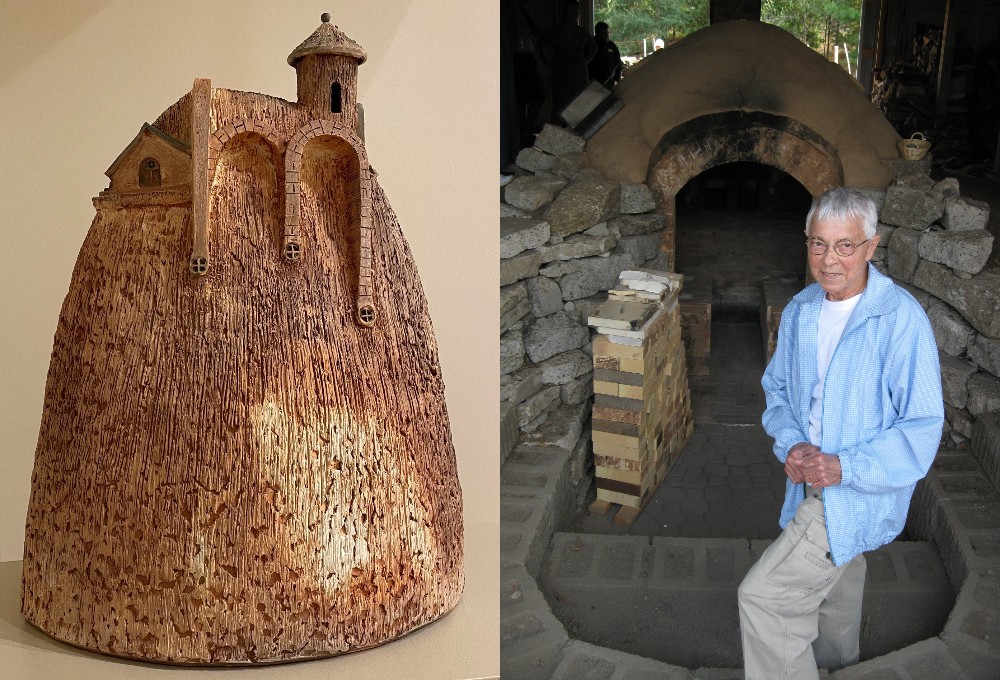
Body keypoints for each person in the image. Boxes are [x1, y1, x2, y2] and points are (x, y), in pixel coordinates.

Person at [737, 187, 943, 679]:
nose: (829, 260)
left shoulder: (898, 319)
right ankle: (837, 666)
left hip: (856, 490)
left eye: (845, 245)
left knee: (764, 600)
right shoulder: (802, 310)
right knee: (840, 581)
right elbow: (778, 391)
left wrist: (844, 466)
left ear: (871, 246)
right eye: (818, 243)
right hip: (809, 475)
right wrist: (793, 443)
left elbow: (921, 427)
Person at [540, 1, 597, 121]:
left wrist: (586, 61)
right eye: (571, 11)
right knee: (561, 108)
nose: (574, 14)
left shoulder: (582, 32)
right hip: (561, 73)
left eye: (576, 12)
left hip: (579, 74)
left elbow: (593, 47)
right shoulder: (555, 31)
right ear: (565, 12)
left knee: (579, 105)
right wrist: (548, 63)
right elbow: (541, 43)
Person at [589, 21, 623, 87]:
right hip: (594, 81)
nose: (607, 35)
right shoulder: (591, 45)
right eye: (604, 33)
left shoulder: (611, 45)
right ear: (597, 33)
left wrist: (617, 78)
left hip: (609, 81)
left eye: (607, 33)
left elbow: (617, 62)